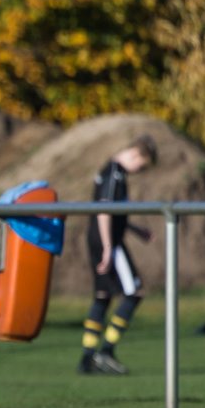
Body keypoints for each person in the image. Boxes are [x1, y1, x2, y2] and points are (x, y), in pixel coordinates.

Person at [78, 134, 158, 375]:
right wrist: (108, 247)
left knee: (102, 296)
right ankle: (107, 351)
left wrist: (134, 229)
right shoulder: (115, 172)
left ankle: (88, 357)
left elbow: (113, 212)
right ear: (136, 154)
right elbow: (104, 210)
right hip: (108, 241)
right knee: (135, 292)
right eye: (141, 167)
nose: (138, 171)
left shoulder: (109, 170)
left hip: (98, 237)